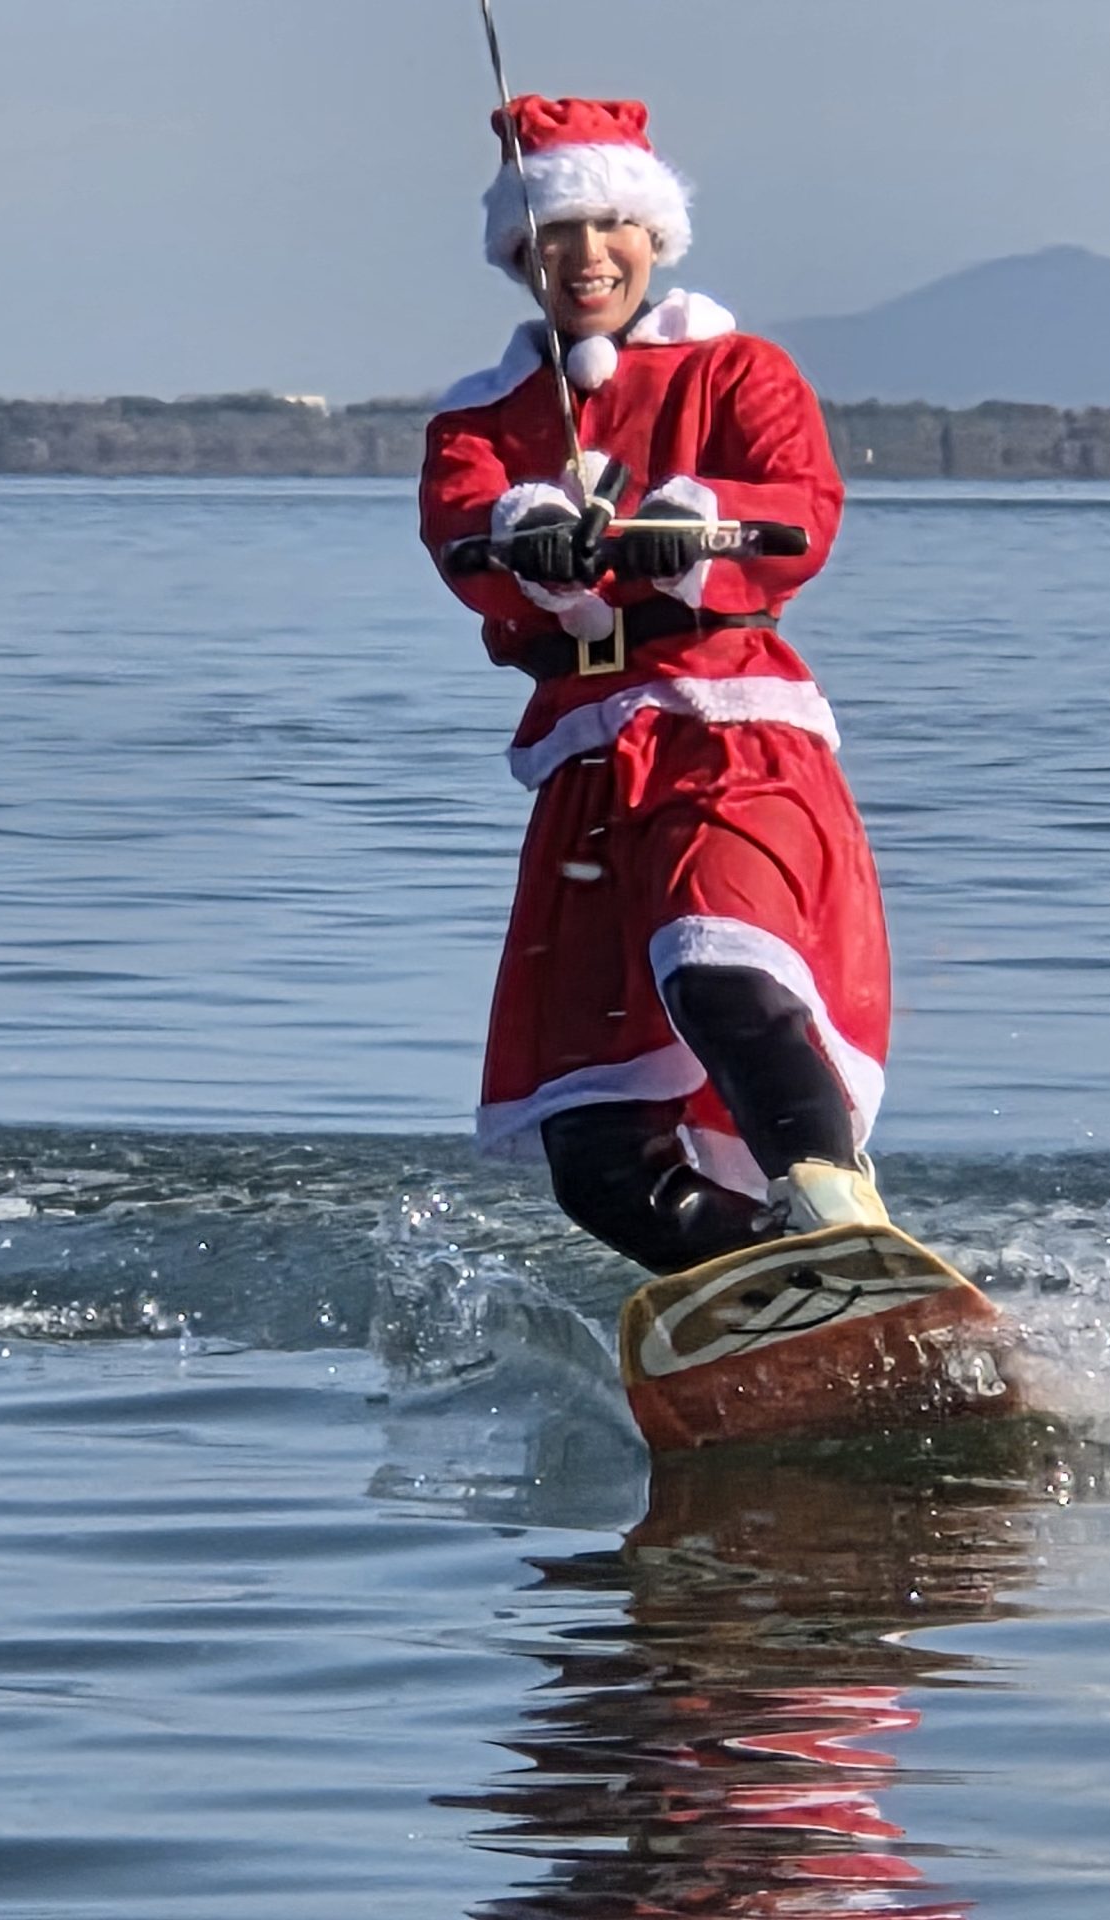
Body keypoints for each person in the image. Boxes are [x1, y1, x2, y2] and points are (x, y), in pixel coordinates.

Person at [420, 94, 896, 1276]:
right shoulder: (479, 420)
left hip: (725, 732)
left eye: (608, 228)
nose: (584, 256)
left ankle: (839, 1220)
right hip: (586, 772)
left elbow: (801, 509)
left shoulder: (740, 371)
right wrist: (524, 531)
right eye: (553, 235)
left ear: (652, 236)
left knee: (717, 965)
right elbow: (460, 535)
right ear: (519, 254)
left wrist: (702, 519)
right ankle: (767, 1290)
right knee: (593, 1146)